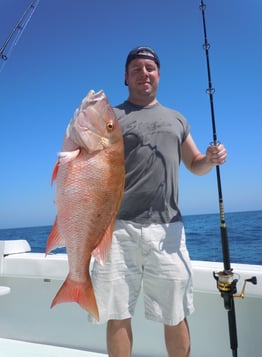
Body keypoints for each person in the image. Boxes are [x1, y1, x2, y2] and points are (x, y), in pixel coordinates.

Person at [90, 46, 227, 357]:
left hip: (168, 231)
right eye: (136, 69)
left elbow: (195, 165)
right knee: (117, 312)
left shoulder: (177, 119)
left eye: (150, 68)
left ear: (159, 75)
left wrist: (210, 158)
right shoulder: (111, 118)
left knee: (175, 312)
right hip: (116, 230)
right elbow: (89, 163)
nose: (144, 73)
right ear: (125, 77)